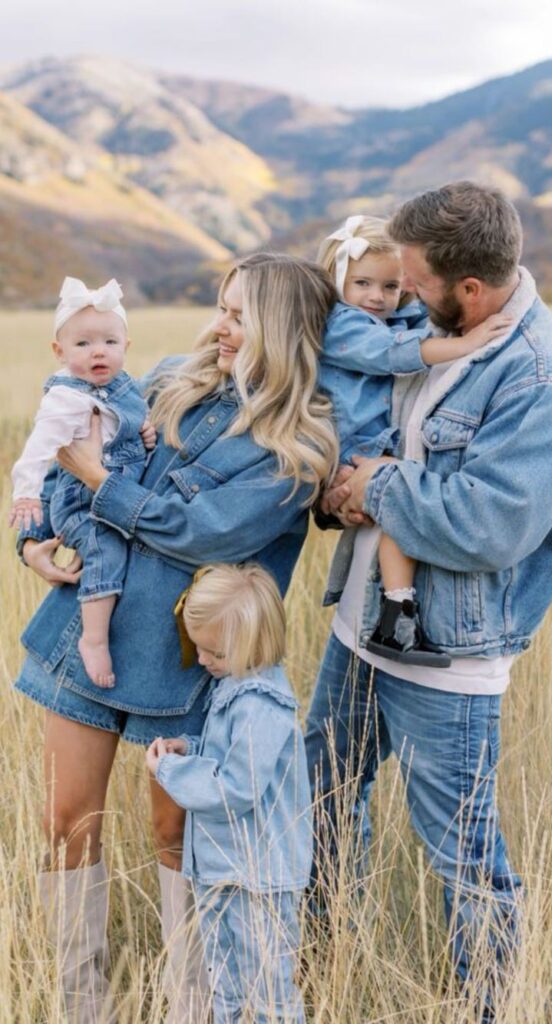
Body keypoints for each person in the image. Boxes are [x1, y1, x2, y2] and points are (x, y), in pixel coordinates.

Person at [14, 252, 339, 1023]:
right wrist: (31, 537)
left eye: (239, 314)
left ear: (283, 330)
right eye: (221, 307)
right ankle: (78, 1003)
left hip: (192, 651)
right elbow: (59, 448)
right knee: (66, 824)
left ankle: (195, 1003)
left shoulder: (298, 444)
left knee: (179, 834)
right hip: (86, 632)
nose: (220, 326)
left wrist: (100, 483)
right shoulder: (162, 379)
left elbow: (204, 532)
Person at [305, 182, 552, 1019]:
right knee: (320, 801)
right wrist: (340, 487)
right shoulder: (433, 325)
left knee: (462, 854)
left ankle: (489, 1004)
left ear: (473, 290)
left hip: (447, 652)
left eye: (416, 282)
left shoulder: (534, 376)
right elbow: (364, 426)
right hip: (359, 627)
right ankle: (319, 971)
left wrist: (379, 487)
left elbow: (491, 524)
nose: (401, 295)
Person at [317, 215, 511, 666]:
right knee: (399, 509)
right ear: (337, 278)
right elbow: (394, 353)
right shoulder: (341, 325)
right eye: (362, 282)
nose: (376, 297)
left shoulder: (382, 314)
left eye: (389, 286)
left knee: (395, 515)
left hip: (372, 442)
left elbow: (411, 319)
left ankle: (394, 617)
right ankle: (399, 611)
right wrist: (468, 343)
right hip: (353, 446)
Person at [146, 562, 311, 1024]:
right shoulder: (235, 687)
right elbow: (230, 758)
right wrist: (192, 748)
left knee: (268, 987)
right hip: (227, 868)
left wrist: (172, 772)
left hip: (259, 876)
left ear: (245, 646)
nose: (201, 661)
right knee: (227, 981)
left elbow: (237, 787)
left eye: (212, 652)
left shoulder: (261, 705)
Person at [10, 276, 157, 689]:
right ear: (59, 352)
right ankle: (93, 640)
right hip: (80, 504)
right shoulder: (66, 398)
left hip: (116, 491)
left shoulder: (125, 386)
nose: (98, 351)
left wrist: (144, 433)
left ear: (126, 346)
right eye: (83, 344)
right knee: (103, 547)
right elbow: (40, 449)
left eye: (110, 342)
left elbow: (127, 426)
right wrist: (25, 493)